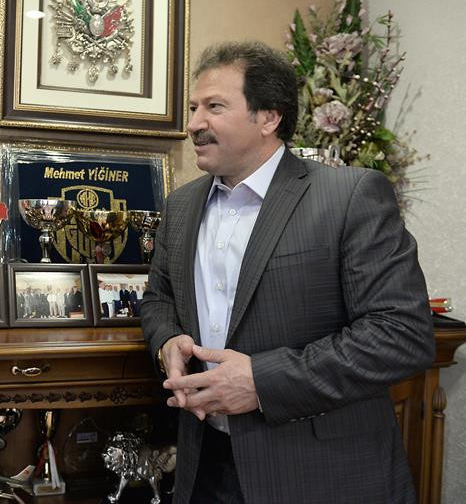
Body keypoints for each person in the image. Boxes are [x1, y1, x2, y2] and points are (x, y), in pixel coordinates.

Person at [140, 40, 434, 504]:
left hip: (319, 473)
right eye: (194, 108)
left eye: (214, 107)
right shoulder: (181, 206)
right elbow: (159, 299)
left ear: (269, 117)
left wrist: (262, 381)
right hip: (205, 466)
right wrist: (167, 342)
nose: (194, 123)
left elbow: (401, 335)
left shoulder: (350, 196)